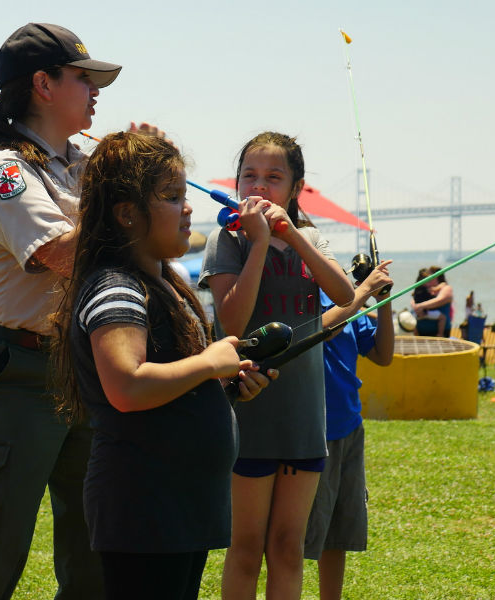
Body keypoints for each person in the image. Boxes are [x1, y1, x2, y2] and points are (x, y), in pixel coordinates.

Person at [0, 23, 123, 599]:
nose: (95, 91)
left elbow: (153, 231)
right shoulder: (4, 170)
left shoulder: (89, 159)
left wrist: (146, 172)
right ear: (43, 83)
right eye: (84, 79)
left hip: (85, 368)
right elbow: (60, 255)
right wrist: (123, 199)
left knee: (99, 553)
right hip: (15, 372)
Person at [52, 132, 274, 599]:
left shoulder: (165, 281)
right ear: (127, 213)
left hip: (181, 508)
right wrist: (209, 363)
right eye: (172, 197)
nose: (188, 207)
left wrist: (226, 383)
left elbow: (173, 380)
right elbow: (127, 386)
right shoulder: (116, 286)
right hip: (145, 510)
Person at [200, 131, 353, 599]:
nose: (259, 187)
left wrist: (292, 237)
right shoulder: (225, 241)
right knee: (245, 549)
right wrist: (261, 242)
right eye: (249, 176)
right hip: (248, 408)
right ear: (236, 183)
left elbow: (346, 295)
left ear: (295, 188)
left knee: (288, 548)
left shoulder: (310, 237)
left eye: (273, 177)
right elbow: (233, 318)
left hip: (304, 415)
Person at [304, 262, 394, 600]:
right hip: (315, 432)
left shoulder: (353, 309)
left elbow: (383, 355)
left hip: (349, 430)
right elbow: (329, 328)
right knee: (303, 533)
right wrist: (362, 292)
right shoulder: (321, 310)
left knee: (337, 533)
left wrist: (384, 302)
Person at [411, 266, 453, 337]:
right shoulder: (424, 289)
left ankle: (440, 333)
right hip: (421, 332)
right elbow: (414, 299)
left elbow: (439, 301)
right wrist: (416, 307)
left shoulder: (445, 288)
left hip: (438, 334)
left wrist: (419, 306)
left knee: (442, 318)